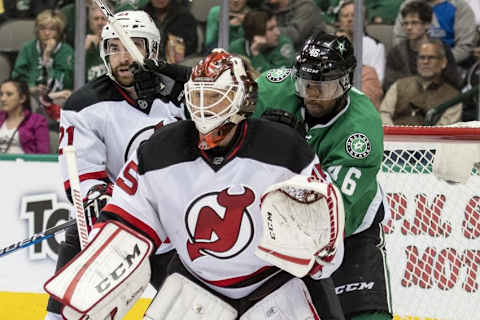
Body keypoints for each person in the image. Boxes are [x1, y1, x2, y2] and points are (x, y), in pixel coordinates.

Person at [44, 48, 346, 320]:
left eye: (214, 97)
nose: (205, 108)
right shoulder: (158, 150)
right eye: (199, 97)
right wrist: (97, 276)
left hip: (276, 286)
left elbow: (322, 244)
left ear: (241, 99)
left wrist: (319, 253)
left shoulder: (284, 149)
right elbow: (126, 225)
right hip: (197, 288)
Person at [43, 10, 191, 320]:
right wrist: (97, 197)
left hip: (176, 230)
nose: (123, 57)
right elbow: (83, 177)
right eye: (114, 48)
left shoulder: (183, 95)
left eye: (133, 46)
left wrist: (178, 75)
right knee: (62, 316)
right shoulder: (85, 105)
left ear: (152, 50)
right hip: (116, 226)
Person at [253, 32, 393, 320]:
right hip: (274, 231)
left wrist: (292, 150)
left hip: (349, 238)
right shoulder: (274, 88)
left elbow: (331, 219)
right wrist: (260, 137)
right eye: (306, 85)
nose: (312, 95)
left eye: (323, 88)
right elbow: (225, 116)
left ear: (345, 83)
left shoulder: (360, 131)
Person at [380, 38, 462, 125]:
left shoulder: (453, 97)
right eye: (422, 58)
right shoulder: (399, 86)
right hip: (395, 136)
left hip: (430, 137)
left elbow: (444, 132)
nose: (425, 62)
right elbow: (384, 114)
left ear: (443, 62)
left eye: (431, 58)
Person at [384, 0, 461, 92]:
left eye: (414, 23)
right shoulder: (396, 53)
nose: (409, 27)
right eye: (406, 23)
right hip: (405, 100)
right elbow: (389, 85)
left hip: (438, 99)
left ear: (427, 25)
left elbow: (453, 82)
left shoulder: (441, 49)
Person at [11, 9, 74, 103]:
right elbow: (17, 77)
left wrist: (47, 57)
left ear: (59, 32)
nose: (47, 33)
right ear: (37, 30)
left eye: (52, 29)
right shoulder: (28, 48)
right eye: (43, 28)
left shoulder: (66, 51)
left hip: (59, 97)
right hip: (30, 96)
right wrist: (32, 87)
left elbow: (67, 82)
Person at [392, 0, 476, 65]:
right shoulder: (409, 4)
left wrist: (436, 62)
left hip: (450, 65)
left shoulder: (460, 7)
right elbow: (399, 39)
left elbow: (464, 47)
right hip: (411, 64)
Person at [118, 0, 198, 64]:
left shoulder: (185, 16)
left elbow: (192, 47)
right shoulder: (140, 15)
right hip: (145, 64)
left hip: (177, 65)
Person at [228, 8, 296, 73]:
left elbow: (275, 82)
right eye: (271, 29)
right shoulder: (236, 48)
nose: (278, 32)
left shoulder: (283, 45)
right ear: (257, 33)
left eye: (276, 26)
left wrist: (256, 54)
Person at [336, 0, 386, 84]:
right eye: (345, 16)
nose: (349, 19)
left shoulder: (376, 46)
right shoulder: (329, 43)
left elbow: (378, 80)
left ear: (365, 21)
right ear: (339, 22)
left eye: (354, 15)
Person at [0, 79, 49, 154]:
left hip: (25, 164)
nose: (3, 99)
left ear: (22, 98)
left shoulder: (37, 121)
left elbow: (43, 154)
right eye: (1, 94)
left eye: (9, 94)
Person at [85, 3, 108, 82]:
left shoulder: (117, 45)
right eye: (96, 19)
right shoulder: (85, 44)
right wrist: (83, 51)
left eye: (103, 18)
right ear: (90, 24)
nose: (100, 23)